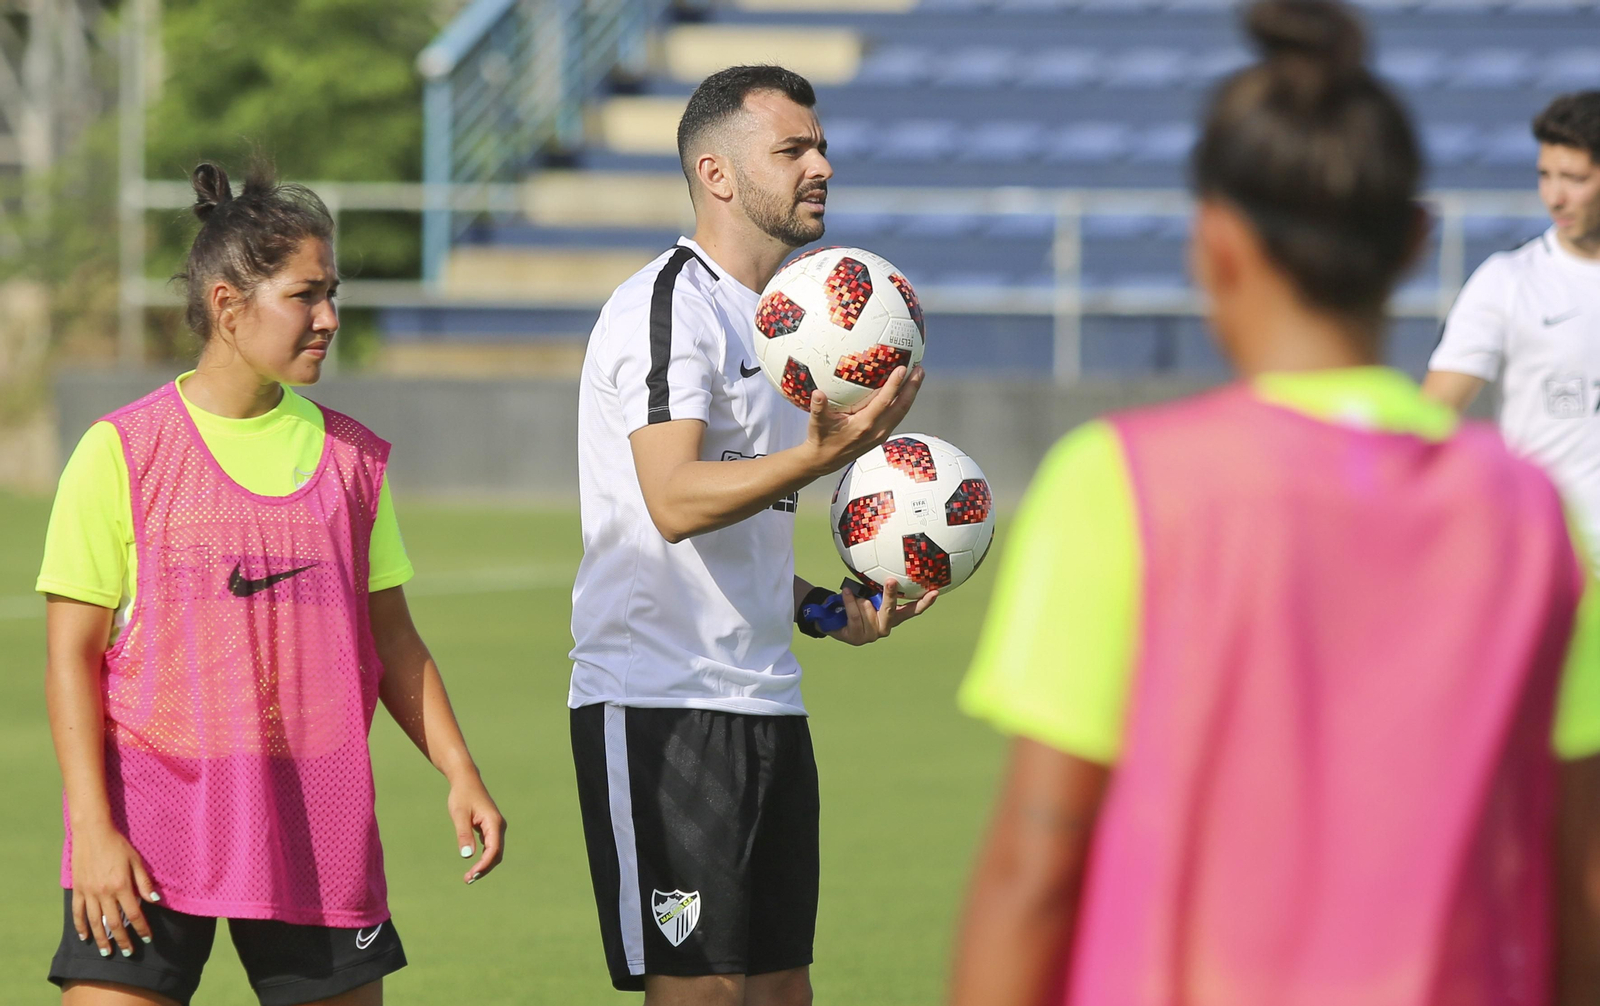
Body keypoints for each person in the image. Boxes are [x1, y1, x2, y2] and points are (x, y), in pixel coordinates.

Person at [949, 3, 1600, 1004]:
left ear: (1212, 244)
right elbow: (1575, 880)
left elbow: (1034, 875)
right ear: (1414, 243)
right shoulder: (1534, 519)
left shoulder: (1118, 483)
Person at [39, 162, 506, 1006]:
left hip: (315, 814)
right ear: (227, 305)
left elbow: (392, 640)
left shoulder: (351, 458)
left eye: (333, 294)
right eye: (305, 296)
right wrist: (93, 831)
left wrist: (458, 768)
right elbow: (71, 659)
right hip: (151, 819)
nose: (329, 318)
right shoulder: (120, 452)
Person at [568, 65, 931, 1006]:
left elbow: (745, 538)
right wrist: (817, 458)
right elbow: (675, 500)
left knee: (780, 991)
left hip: (767, 699)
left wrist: (825, 611)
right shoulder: (668, 306)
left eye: (821, 147)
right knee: (704, 994)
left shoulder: (790, 331)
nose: (823, 167)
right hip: (659, 701)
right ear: (717, 173)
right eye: (793, 149)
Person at [1424, 91, 1600, 566]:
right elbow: (1432, 418)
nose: (1555, 196)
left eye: (1574, 178)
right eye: (1545, 175)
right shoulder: (1508, 282)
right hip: (1554, 561)